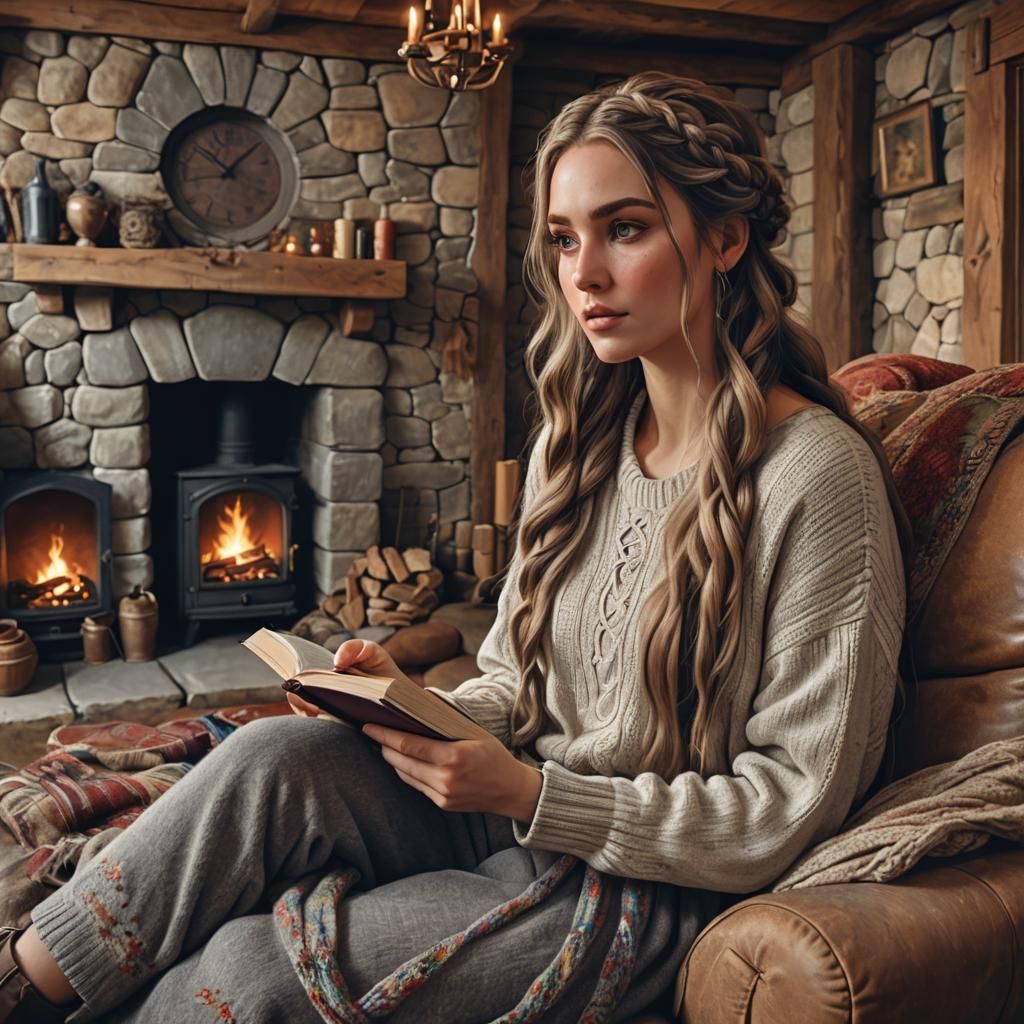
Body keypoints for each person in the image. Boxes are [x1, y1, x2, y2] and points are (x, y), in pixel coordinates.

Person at [0, 71, 911, 1024]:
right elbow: (515, 683)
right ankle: (22, 985)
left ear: (724, 240)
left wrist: (533, 793)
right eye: (564, 238)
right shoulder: (579, 443)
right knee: (271, 757)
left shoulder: (816, 475)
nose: (583, 273)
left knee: (248, 969)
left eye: (626, 229)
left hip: (648, 885)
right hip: (519, 807)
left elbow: (787, 803)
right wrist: (405, 707)